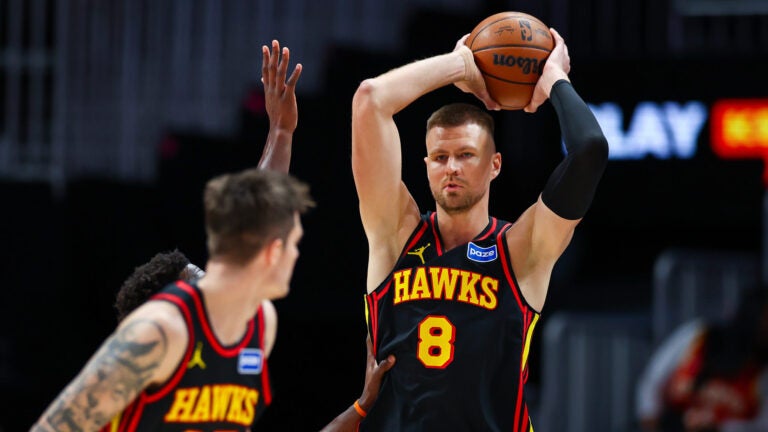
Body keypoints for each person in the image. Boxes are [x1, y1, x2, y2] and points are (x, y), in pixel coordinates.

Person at [351, 25, 608, 431]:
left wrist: (554, 78)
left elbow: (590, 149)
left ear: (495, 165)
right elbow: (370, 99)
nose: (451, 167)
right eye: (439, 157)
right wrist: (460, 65)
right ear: (426, 167)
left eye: (466, 155)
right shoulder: (394, 235)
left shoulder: (520, 250)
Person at [636, 287, 768, 432]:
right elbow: (651, 383)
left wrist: (719, 426)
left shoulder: (761, 373)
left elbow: (761, 424)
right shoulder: (698, 336)